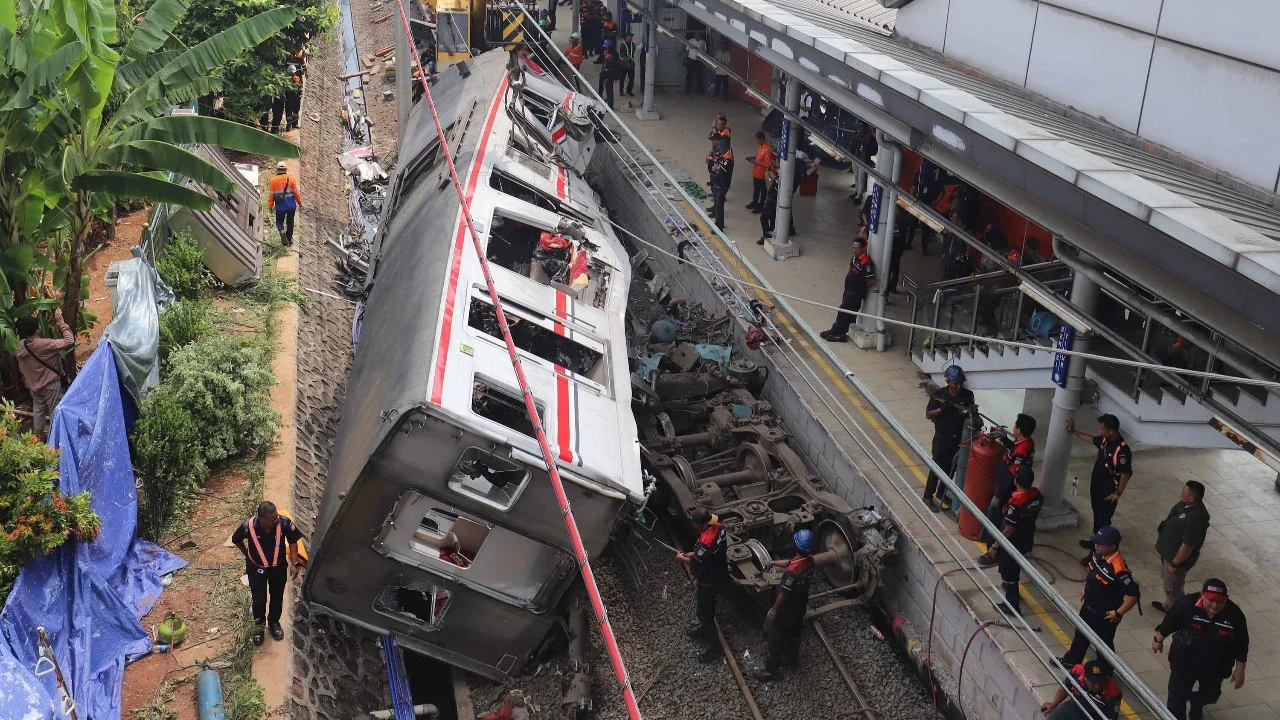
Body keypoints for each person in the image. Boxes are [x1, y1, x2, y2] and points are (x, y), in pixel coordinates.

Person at [1153, 578, 1248, 720]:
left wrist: (1240, 670)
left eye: (1220, 602)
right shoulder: (1186, 605)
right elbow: (1169, 622)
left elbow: (1242, 643)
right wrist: (1158, 640)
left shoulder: (1235, 615)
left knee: (1211, 696)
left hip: (1215, 666)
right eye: (1211, 600)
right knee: (1176, 699)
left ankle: (1196, 702)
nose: (1215, 606)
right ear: (1202, 595)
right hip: (1185, 661)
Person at [1059, 526, 1139, 674]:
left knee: (1103, 645)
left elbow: (1133, 596)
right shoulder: (1097, 555)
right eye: (1096, 542)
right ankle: (1072, 660)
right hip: (1088, 606)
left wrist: (1118, 613)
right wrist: (1086, 589)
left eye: (1100, 544)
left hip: (1105, 615)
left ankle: (1106, 674)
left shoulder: (1119, 569)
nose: (1096, 545)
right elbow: (1093, 573)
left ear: (1113, 546)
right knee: (1080, 634)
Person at [232, 500, 304, 645]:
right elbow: (236, 539)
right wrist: (246, 554)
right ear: (261, 519)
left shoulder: (283, 523)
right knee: (259, 600)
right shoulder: (247, 527)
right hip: (256, 569)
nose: (276, 520)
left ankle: (274, 623)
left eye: (276, 516)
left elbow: (293, 541)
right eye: (272, 519)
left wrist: (294, 564)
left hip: (278, 568)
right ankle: (258, 627)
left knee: (277, 596)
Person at [978, 465, 1042, 616]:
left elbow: (1008, 530)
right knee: (1011, 568)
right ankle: (1009, 586)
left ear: (1016, 481)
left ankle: (1012, 606)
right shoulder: (1037, 496)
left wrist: (995, 546)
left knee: (1010, 572)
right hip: (1027, 539)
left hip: (1013, 544)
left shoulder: (1016, 504)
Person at [754, 529, 817, 680]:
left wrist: (774, 611)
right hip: (801, 604)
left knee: (776, 637)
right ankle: (791, 660)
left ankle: (771, 670)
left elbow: (783, 593)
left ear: (796, 545)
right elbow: (790, 563)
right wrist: (773, 562)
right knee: (795, 632)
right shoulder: (810, 561)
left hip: (787, 608)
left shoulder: (792, 573)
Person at [1065, 414, 1132, 556]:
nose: (1099, 431)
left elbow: (1126, 474)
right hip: (1097, 485)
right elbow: (1091, 439)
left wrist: (1117, 493)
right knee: (1097, 515)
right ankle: (1096, 540)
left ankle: (1097, 552)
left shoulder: (1122, 451)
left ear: (1111, 431)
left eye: (1102, 429)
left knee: (1103, 519)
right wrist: (1074, 431)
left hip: (1108, 491)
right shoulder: (1105, 440)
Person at [919, 365, 974, 511]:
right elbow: (929, 414)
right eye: (955, 383)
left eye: (960, 383)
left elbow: (972, 413)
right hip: (943, 437)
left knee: (952, 467)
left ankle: (942, 492)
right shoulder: (939, 395)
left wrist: (969, 413)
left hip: (959, 439)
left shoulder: (967, 395)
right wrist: (942, 409)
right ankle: (927, 496)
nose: (958, 386)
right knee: (937, 467)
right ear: (947, 381)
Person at [676, 508, 727, 662]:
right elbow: (705, 553)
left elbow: (695, 561)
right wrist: (695, 552)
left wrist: (681, 558)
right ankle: (704, 631)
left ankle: (715, 648)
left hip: (708, 579)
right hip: (719, 569)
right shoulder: (719, 527)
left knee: (704, 614)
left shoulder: (706, 542)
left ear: (701, 525)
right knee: (705, 610)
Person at [1152, 480, 1210, 614]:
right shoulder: (1185, 505)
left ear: (1192, 498)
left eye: (1184, 492)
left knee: (1173, 588)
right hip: (1168, 554)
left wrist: (1174, 564)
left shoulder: (1195, 519)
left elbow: (1187, 546)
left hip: (1175, 560)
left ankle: (1177, 614)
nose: (1181, 493)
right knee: (1168, 583)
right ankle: (1168, 606)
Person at [16, 309, 74, 439]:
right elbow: (69, 341)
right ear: (37, 330)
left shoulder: (21, 346)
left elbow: (22, 368)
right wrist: (61, 322)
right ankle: (56, 438)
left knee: (38, 410)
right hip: (50, 385)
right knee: (55, 410)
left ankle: (38, 435)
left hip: (34, 385)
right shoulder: (44, 344)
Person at [985, 413, 1037, 536]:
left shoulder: (1021, 452)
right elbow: (1012, 449)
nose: (1013, 426)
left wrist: (999, 494)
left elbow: (1013, 475)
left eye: (1015, 424)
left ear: (1018, 429)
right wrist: (1004, 439)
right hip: (1003, 485)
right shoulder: (1026, 442)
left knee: (995, 510)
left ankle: (992, 537)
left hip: (1005, 489)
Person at [819, 234, 874, 343]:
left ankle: (839, 333)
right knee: (845, 312)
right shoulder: (855, 258)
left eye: (857, 248)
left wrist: (860, 289)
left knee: (844, 312)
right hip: (848, 291)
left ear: (863, 248)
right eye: (853, 248)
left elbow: (871, 281)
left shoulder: (866, 262)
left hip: (855, 294)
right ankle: (837, 331)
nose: (854, 250)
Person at [1040, 661, 1122, 720]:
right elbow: (1064, 688)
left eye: (1100, 682)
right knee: (1056, 714)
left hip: (1092, 716)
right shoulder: (1077, 672)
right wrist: (1053, 705)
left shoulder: (1113, 693)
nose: (1097, 686)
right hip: (1074, 706)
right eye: (1093, 682)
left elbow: (1110, 718)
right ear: (1084, 676)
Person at [267, 161, 302, 247]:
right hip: (291, 206)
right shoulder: (292, 179)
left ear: (277, 170)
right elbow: (296, 193)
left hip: (280, 206)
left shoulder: (273, 180)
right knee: (290, 223)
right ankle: (289, 240)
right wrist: (300, 203)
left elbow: (271, 195)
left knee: (279, 222)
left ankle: (282, 231)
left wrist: (270, 207)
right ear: (286, 169)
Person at [706, 135, 733, 230]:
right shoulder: (722, 156)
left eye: (722, 149)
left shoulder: (728, 159)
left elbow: (720, 170)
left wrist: (716, 167)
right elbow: (714, 166)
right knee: (718, 205)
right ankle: (719, 223)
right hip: (718, 182)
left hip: (723, 184)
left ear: (726, 148)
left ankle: (719, 226)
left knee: (719, 205)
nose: (720, 151)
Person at [746, 132, 774, 213]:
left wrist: (754, 161)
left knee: (762, 190)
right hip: (756, 172)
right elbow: (759, 157)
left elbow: (767, 163)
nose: (757, 141)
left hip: (761, 174)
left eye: (757, 140)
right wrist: (752, 158)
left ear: (761, 139)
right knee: (756, 188)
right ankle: (755, 202)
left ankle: (761, 205)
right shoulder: (761, 147)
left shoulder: (767, 150)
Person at [597, 38, 618, 108]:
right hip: (605, 73)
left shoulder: (613, 55)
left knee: (609, 89)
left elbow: (615, 66)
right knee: (601, 85)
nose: (604, 49)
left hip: (610, 74)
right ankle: (599, 96)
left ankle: (610, 106)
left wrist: (616, 77)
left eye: (606, 48)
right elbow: (603, 64)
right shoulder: (606, 54)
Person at [618, 31, 636, 97]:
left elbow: (632, 53)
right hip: (624, 64)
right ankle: (621, 91)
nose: (631, 38)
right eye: (630, 36)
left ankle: (629, 91)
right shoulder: (623, 45)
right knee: (622, 78)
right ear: (626, 37)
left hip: (631, 63)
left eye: (632, 36)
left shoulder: (633, 45)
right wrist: (627, 63)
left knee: (631, 78)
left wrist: (631, 64)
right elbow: (623, 55)